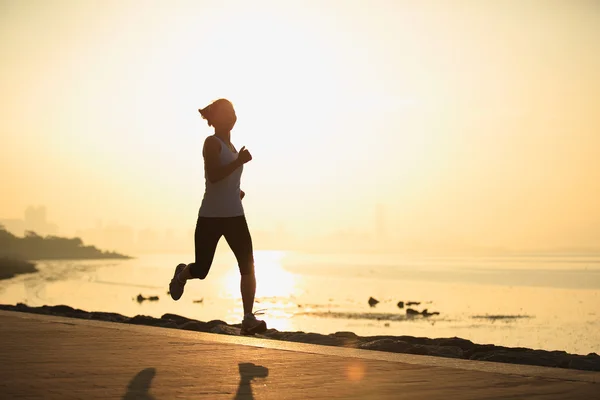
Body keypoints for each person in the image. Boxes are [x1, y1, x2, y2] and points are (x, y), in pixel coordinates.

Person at [169, 98, 266, 335]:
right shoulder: (211, 143)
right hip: (210, 217)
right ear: (215, 119)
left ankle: (247, 318)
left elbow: (228, 181)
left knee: (248, 266)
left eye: (233, 112)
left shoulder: (233, 148)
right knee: (201, 270)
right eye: (226, 113)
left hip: (235, 216)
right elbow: (213, 175)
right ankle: (181, 274)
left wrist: (236, 192)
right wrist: (239, 163)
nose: (231, 116)